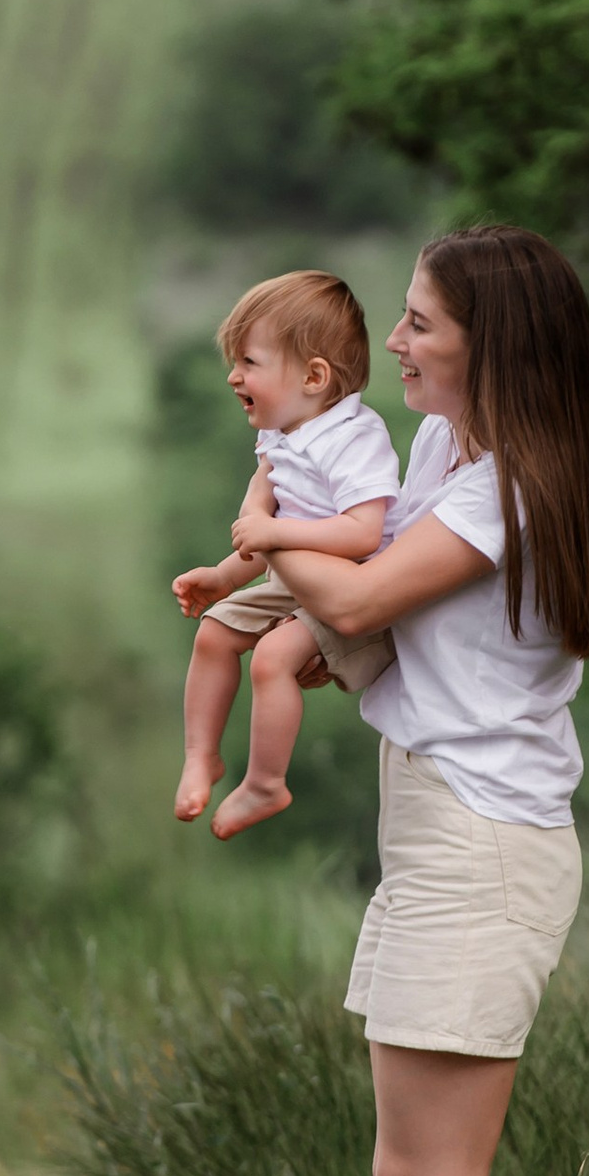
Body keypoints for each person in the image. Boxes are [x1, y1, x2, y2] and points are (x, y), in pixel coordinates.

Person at [251, 226, 589, 1176]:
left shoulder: (508, 490)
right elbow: (361, 630)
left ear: (489, 345)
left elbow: (352, 587)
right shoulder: (440, 456)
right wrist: (268, 621)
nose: (391, 346)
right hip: (434, 826)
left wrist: (268, 534)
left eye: (418, 325)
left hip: (482, 844)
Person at [171, 270, 400, 840]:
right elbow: (259, 533)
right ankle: (203, 755)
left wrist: (275, 538)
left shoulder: (353, 438)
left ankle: (266, 782)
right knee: (213, 635)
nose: (233, 376)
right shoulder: (281, 435)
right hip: (294, 578)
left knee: (273, 659)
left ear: (314, 376)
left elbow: (362, 534)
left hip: (352, 583)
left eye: (249, 362)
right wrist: (224, 578)